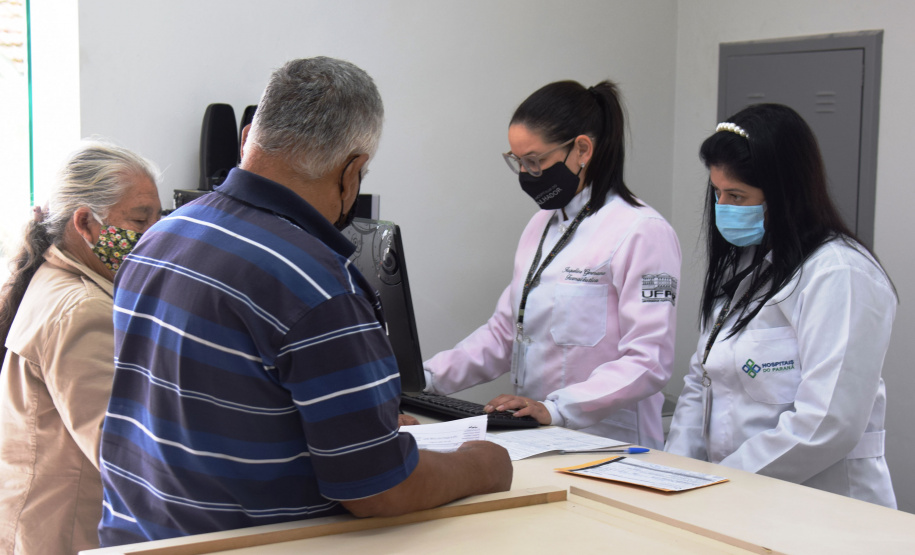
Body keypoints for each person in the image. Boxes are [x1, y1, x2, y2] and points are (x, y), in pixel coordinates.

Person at [97, 57, 511, 546]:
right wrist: (482, 464)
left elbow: (219, 408)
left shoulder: (161, 237)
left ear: (250, 136)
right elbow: (377, 490)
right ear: (352, 172)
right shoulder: (317, 287)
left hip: (141, 538)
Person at [423, 80, 681, 449]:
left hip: (609, 445)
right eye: (518, 162)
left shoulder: (642, 231)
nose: (527, 174)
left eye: (536, 161)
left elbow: (649, 360)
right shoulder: (541, 226)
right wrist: (426, 378)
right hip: (539, 437)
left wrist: (556, 408)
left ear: (582, 149)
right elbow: (505, 334)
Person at [665, 103, 897, 508]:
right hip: (735, 497)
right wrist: (673, 475)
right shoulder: (744, 266)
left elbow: (828, 422)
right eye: (717, 193)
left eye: (737, 195)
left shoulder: (839, 273)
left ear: (786, 192)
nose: (723, 207)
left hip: (824, 507)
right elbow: (700, 384)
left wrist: (722, 482)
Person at [0, 142, 160, 554]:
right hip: (66, 534)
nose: (155, 234)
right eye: (140, 219)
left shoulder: (56, 279)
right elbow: (119, 451)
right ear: (86, 224)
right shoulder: (83, 309)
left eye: (160, 219)